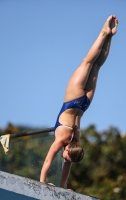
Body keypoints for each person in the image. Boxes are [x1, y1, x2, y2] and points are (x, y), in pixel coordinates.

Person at [40, 15, 118, 188]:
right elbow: (47, 160)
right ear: (68, 150)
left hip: (84, 104)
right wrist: (42, 183)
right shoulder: (61, 142)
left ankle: (110, 36)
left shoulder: (76, 141)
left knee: (96, 66)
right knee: (87, 62)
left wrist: (63, 187)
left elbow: (66, 170)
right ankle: (104, 32)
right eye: (66, 157)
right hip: (73, 100)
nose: (64, 159)